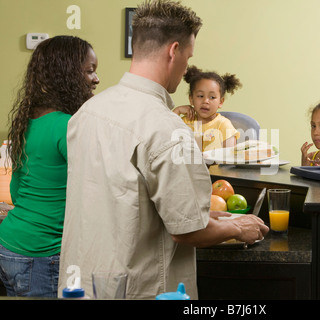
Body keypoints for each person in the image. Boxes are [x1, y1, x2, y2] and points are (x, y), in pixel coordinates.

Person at [57, 0, 268, 300]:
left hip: (80, 286)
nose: (185, 69)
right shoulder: (168, 130)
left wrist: (218, 218)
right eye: (188, 56)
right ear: (174, 50)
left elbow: (124, 202)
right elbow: (186, 230)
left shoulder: (87, 112)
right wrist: (236, 228)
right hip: (138, 291)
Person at [0, 35, 99, 298]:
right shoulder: (68, 125)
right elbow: (96, 189)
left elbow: (17, 188)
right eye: (90, 71)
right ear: (66, 75)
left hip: (9, 244)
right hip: (42, 254)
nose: (96, 79)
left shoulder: (29, 120)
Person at [172, 65, 242, 151]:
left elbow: (229, 158)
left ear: (220, 102)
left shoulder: (223, 125)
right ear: (191, 99)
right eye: (200, 96)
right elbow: (165, 139)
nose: (205, 101)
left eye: (212, 97)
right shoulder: (186, 122)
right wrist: (177, 111)